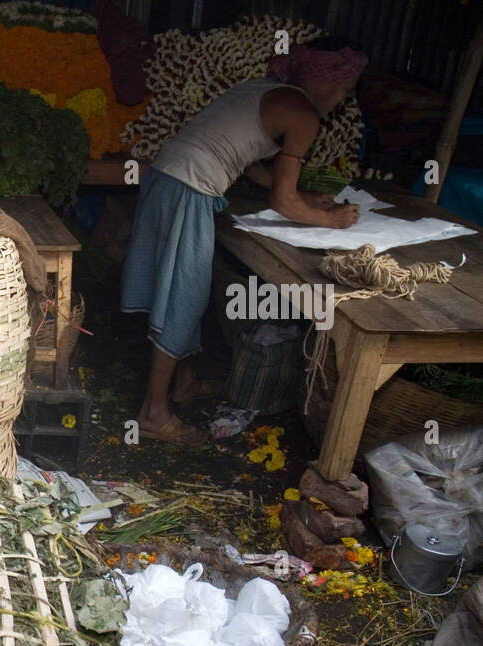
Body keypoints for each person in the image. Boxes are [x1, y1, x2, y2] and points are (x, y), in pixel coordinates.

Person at [121, 45, 367, 446]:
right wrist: (330, 219)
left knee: (169, 290)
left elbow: (249, 162)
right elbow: (281, 203)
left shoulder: (261, 89)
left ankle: (182, 386)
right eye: (344, 90)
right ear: (327, 81)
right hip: (190, 190)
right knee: (183, 297)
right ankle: (153, 413)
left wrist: (305, 197)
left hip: (164, 177)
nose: (341, 102)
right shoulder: (303, 114)